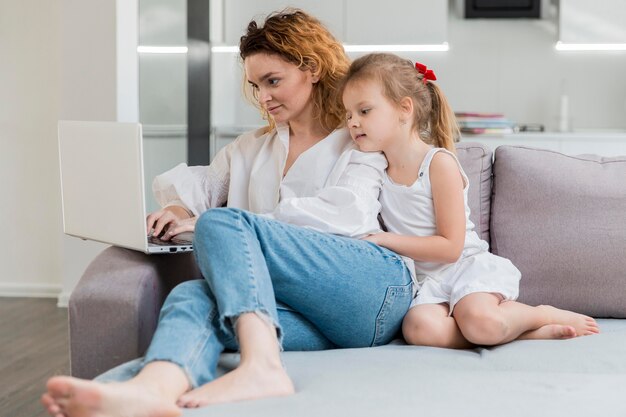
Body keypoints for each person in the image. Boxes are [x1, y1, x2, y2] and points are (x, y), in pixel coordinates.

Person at [42, 11, 413, 417]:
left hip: (374, 291)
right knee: (192, 295)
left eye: (273, 81)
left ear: (312, 69)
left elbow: (349, 214)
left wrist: (231, 226)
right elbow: (203, 185)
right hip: (312, 315)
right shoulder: (252, 148)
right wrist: (176, 209)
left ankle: (263, 367)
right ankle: (152, 389)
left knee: (222, 222)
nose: (263, 97)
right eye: (256, 86)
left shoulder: (360, 136)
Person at [340, 52, 600, 350]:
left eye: (364, 111)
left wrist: (384, 240)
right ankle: (518, 334)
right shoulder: (373, 169)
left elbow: (450, 248)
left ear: (404, 109)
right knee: (419, 329)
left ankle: (538, 314)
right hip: (427, 280)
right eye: (348, 114)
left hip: (464, 266)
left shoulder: (438, 164)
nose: (352, 123)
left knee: (480, 322)